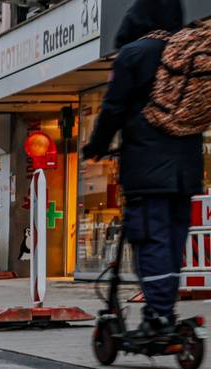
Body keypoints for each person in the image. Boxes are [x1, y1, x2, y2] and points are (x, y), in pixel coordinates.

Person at [82, 0, 203, 336]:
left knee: (150, 241)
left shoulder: (135, 54)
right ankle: (164, 309)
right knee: (173, 241)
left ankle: (158, 315)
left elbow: (113, 108)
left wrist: (96, 147)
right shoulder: (186, 54)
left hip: (147, 172)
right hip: (186, 172)